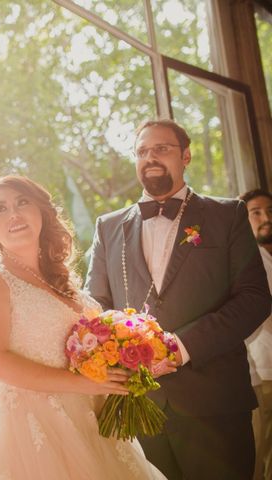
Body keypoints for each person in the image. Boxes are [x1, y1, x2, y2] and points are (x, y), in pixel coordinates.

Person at [0, 174, 166, 479]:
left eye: (22, 202)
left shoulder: (61, 279)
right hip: (27, 428)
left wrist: (121, 364)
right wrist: (84, 383)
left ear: (42, 213)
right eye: (1, 209)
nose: (14, 214)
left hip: (89, 418)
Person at [85, 118, 270, 480]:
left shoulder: (227, 214)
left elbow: (254, 299)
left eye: (162, 149)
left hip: (213, 406)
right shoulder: (108, 227)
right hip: (136, 407)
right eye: (142, 151)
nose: (150, 157)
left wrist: (179, 347)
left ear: (185, 156)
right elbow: (96, 305)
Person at [241, 188, 272, 479]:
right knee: (259, 455)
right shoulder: (246, 262)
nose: (266, 218)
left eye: (270, 211)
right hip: (264, 372)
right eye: (256, 212)